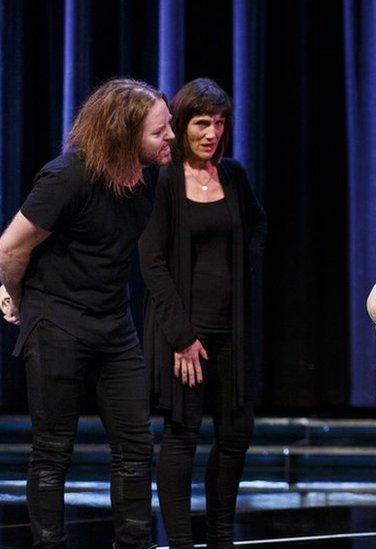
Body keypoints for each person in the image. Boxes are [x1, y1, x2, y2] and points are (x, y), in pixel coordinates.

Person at [0, 78, 173, 548]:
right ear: (124, 134)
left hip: (113, 325)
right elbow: (11, 247)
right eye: (160, 132)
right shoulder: (68, 176)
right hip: (57, 321)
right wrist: (14, 295)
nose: (171, 138)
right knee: (53, 450)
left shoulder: (144, 178)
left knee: (136, 447)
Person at [139, 78, 267, 549]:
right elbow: (151, 260)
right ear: (180, 124)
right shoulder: (165, 180)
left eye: (218, 123)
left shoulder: (232, 174)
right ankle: (179, 542)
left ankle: (219, 536)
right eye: (201, 123)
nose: (212, 133)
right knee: (183, 435)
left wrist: (240, 270)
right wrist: (180, 335)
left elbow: (256, 226)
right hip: (183, 334)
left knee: (236, 433)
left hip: (232, 331)